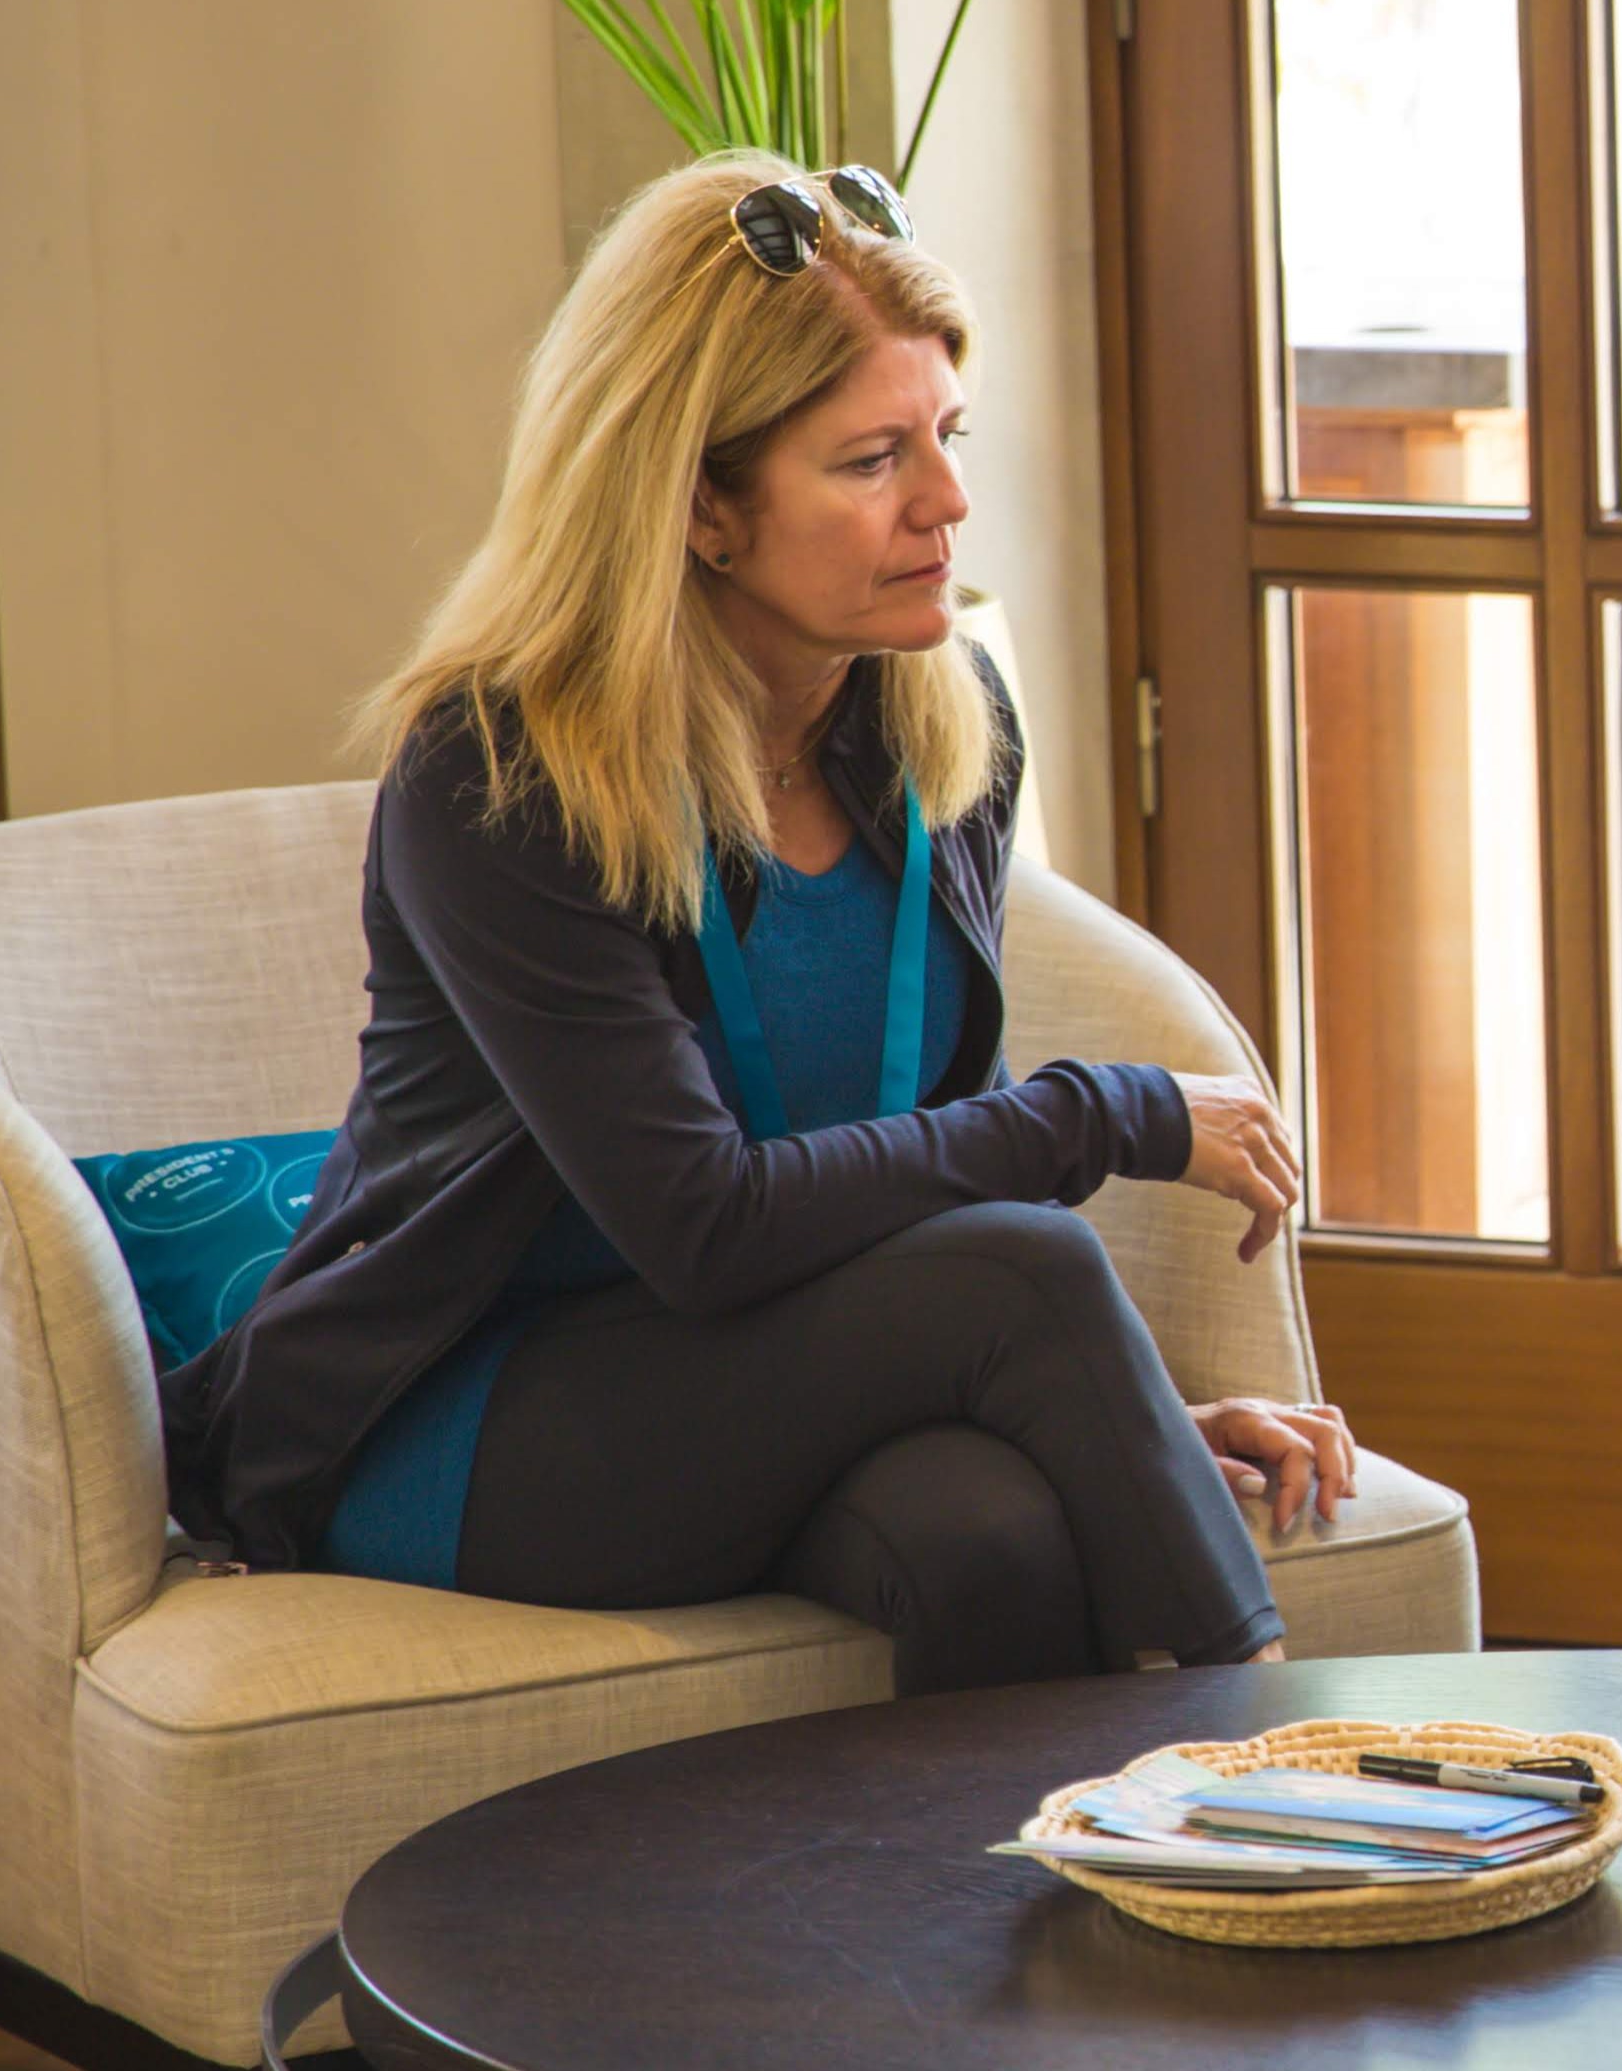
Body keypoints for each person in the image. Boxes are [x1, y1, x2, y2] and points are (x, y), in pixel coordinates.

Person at [156, 154, 1355, 1696]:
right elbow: (704, 1225)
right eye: (870, 461)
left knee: (988, 1534)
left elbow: (911, 1160)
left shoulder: (946, 724)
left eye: (945, 436)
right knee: (1032, 1273)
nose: (947, 502)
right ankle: (1300, 1813)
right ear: (703, 509)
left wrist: (1103, 1418)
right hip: (467, 1409)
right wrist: (1111, 1118)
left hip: (758, 1371)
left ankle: (987, 1934)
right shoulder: (506, 774)